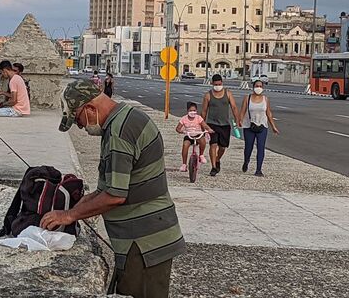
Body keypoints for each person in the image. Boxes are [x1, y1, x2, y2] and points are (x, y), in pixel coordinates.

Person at [41, 80, 186, 298]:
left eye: (78, 119)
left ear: (90, 108)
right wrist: (79, 207)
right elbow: (106, 189)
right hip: (144, 238)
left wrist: (69, 215)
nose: (80, 126)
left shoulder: (119, 132)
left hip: (144, 243)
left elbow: (115, 196)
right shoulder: (125, 118)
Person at [201, 74, 241, 177]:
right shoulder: (208, 95)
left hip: (225, 124)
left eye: (219, 84)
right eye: (215, 84)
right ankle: (213, 167)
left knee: (223, 147)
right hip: (212, 124)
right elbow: (204, 111)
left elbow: (234, 107)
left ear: (222, 83)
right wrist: (202, 125)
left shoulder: (228, 93)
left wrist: (237, 120)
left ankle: (218, 159)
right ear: (212, 84)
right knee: (213, 145)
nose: (217, 86)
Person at [239, 80, 280, 177]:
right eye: (257, 86)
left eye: (260, 86)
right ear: (253, 87)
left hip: (262, 126)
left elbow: (268, 113)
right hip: (249, 126)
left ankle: (258, 169)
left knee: (261, 147)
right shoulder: (247, 98)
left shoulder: (265, 99)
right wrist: (240, 121)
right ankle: (246, 161)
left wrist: (273, 126)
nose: (258, 88)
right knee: (248, 147)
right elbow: (242, 111)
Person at [0, 61, 30, 128]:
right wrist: (3, 93)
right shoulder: (18, 78)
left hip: (17, 111)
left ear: (5, 70)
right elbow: (15, 97)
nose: (2, 74)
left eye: (2, 72)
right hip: (22, 109)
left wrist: (2, 105)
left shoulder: (13, 81)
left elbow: (13, 101)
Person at [176, 102, 214, 172]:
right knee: (185, 145)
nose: (193, 112)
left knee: (203, 141)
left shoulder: (198, 118)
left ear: (196, 111)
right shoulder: (183, 119)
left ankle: (201, 155)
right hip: (189, 135)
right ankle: (184, 164)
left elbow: (204, 125)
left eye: (194, 110)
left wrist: (209, 129)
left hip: (198, 134)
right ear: (187, 111)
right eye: (191, 111)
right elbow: (177, 128)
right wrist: (182, 131)